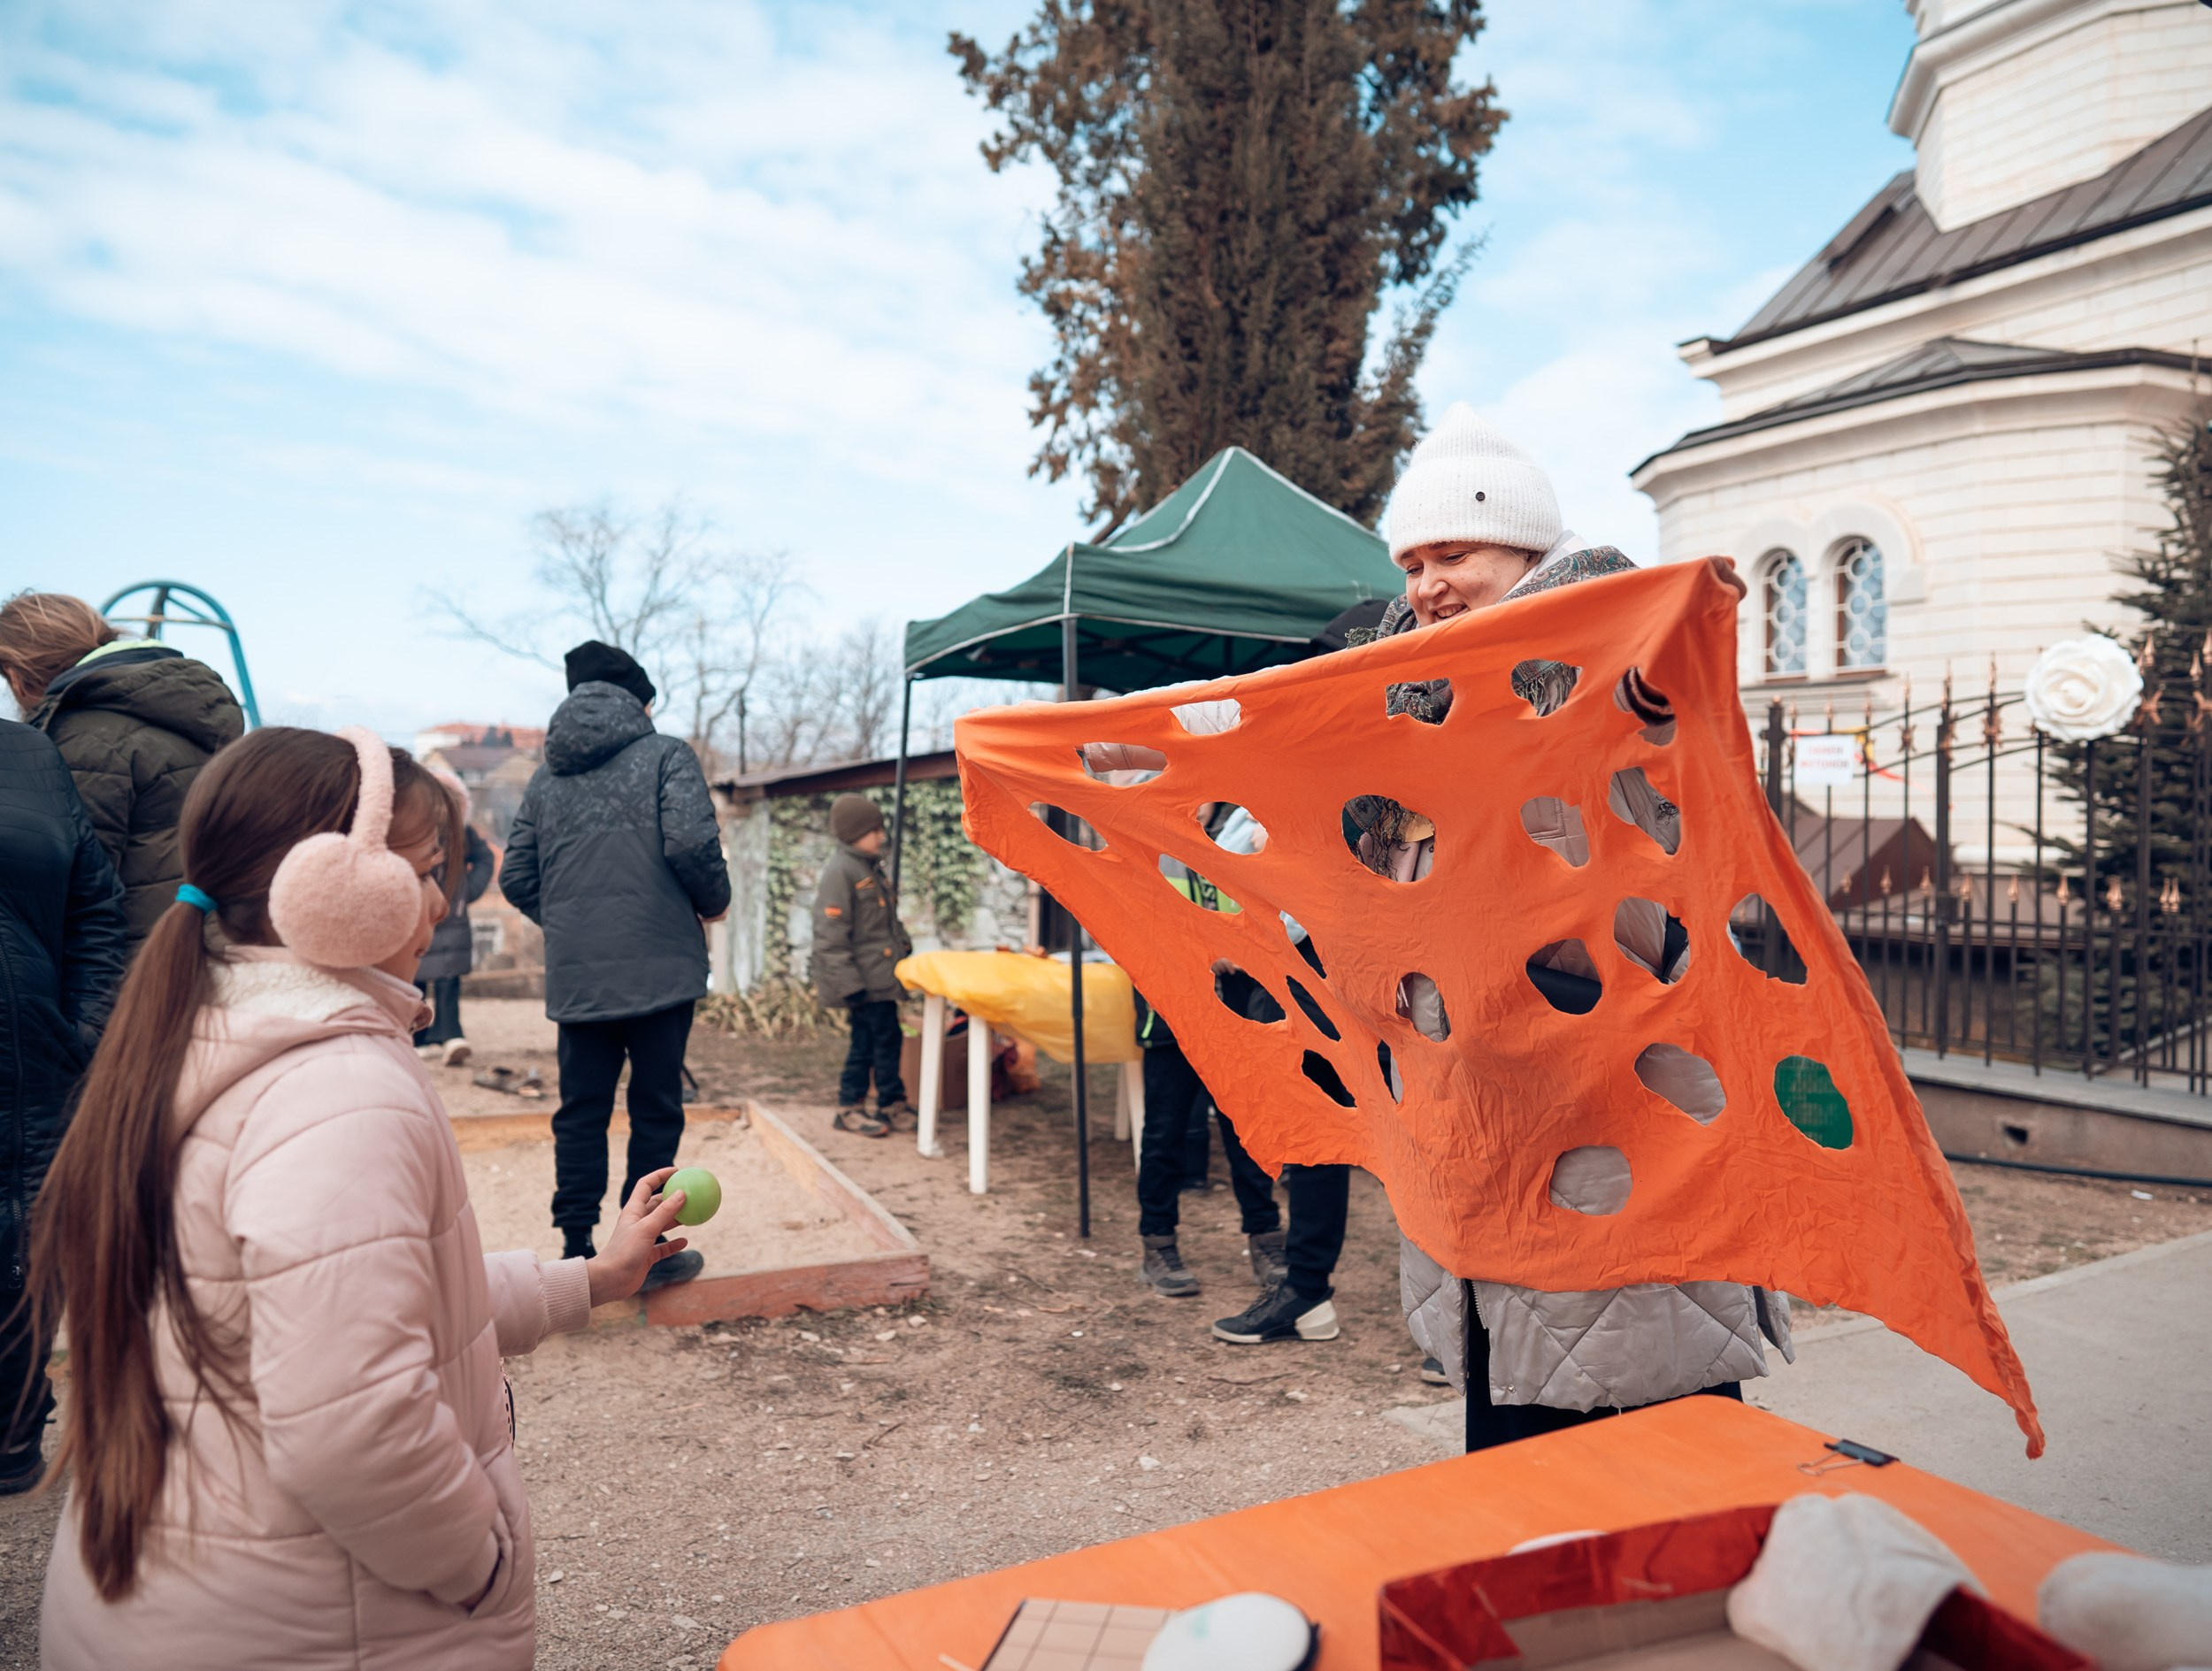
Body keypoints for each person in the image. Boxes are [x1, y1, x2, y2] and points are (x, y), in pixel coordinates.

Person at [31, 724, 690, 1667]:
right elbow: (353, 1426)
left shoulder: (205, 1028)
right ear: (337, 884)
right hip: (316, 1629)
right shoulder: (335, 1090)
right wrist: (478, 1562)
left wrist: (592, 1277)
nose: (440, 899)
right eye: (426, 868)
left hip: (188, 1604)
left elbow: (387, 1298)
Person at [1359, 402, 1786, 1452]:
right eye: (1411, 562)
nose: (1425, 587)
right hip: (1482, 1154)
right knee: (1521, 1470)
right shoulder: (1416, 747)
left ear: (1532, 551)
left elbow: (1642, 924)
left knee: (1653, 1457)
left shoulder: (1608, 709)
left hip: (1606, 1150)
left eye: (1454, 551)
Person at [500, 641, 730, 1275]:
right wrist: (713, 902)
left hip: (580, 978)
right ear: (640, 699)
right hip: (662, 968)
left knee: (581, 1111)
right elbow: (691, 843)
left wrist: (576, 923)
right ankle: (646, 1253)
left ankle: (576, 1248)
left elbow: (517, 875)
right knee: (655, 1107)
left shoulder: (547, 779)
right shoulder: (665, 756)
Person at [0, 720, 128, 1494]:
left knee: (27, 1241)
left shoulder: (28, 755)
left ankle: (14, 1433)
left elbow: (96, 906)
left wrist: (79, 1027)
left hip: (32, 1060)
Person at [0, 591, 246, 948]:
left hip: (139, 968)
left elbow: (70, 897)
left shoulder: (82, 739)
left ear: (17, 676)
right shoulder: (191, 709)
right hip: (214, 941)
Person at [810, 793, 914, 1138]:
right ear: (854, 832)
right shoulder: (840, 872)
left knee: (889, 1040)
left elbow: (883, 923)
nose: (881, 835)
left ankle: (890, 1104)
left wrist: (903, 944)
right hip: (861, 983)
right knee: (866, 1045)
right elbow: (830, 936)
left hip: (881, 978)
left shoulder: (870, 868)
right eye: (874, 830)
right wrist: (848, 985)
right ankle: (849, 1107)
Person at [413, 766, 495, 1067]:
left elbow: (485, 859)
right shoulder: (413, 831)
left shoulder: (464, 833)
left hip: (453, 918)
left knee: (449, 981)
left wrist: (467, 892)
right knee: (416, 979)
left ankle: (450, 1036)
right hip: (419, 915)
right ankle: (419, 1038)